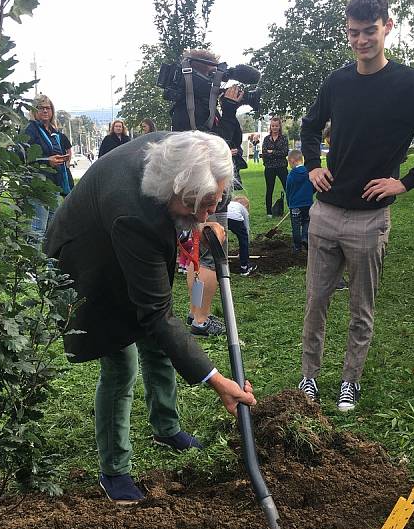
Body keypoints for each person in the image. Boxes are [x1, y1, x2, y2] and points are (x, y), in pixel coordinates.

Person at [45, 130, 256, 504]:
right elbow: (155, 313)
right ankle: (114, 472)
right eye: (205, 204)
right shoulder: (135, 214)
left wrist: (203, 219)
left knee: (158, 344)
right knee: (121, 364)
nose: (209, 212)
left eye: (216, 201)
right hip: (87, 263)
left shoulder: (180, 150)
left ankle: (166, 427)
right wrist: (217, 380)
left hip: (120, 238)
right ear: (177, 192)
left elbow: (157, 314)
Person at [298, 0, 414, 411]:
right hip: (327, 212)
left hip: (371, 219)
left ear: (387, 27)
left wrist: (404, 183)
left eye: (369, 31)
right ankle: (310, 379)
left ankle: (349, 380)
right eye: (353, 33)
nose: (361, 41)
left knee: (360, 305)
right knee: (316, 300)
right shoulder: (336, 81)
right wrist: (313, 164)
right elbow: (311, 125)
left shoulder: (411, 84)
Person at [170, 48, 246, 337]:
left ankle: (196, 313)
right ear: (202, 69)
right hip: (208, 187)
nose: (219, 76)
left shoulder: (191, 103)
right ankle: (201, 319)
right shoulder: (197, 106)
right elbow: (220, 143)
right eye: (214, 69)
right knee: (211, 252)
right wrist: (227, 109)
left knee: (201, 252)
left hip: (206, 185)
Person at [24, 94, 73, 245]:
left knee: (52, 228)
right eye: (41, 108)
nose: (45, 111)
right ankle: (33, 267)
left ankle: (48, 265)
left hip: (55, 184)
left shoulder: (54, 131)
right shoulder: (31, 130)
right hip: (39, 184)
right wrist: (47, 161)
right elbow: (24, 157)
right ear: (34, 111)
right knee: (38, 228)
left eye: (48, 108)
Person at [286, 148, 313, 252]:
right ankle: (305, 237)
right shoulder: (309, 173)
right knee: (306, 221)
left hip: (295, 206)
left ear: (292, 161)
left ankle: (297, 247)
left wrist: (289, 203)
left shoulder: (291, 175)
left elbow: (288, 190)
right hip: (308, 204)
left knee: (295, 225)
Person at [262, 117, 289, 217]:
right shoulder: (266, 139)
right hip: (269, 168)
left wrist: (272, 152)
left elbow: (284, 152)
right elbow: (264, 153)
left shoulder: (284, 138)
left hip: (281, 167)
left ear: (279, 126)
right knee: (269, 189)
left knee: (287, 188)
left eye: (276, 126)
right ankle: (269, 212)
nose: (274, 128)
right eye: (273, 126)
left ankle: (292, 209)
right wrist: (275, 153)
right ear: (270, 126)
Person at [227, 195, 256, 276]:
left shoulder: (229, 203)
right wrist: (244, 249)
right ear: (245, 206)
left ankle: (220, 262)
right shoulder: (242, 208)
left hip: (222, 216)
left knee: (221, 237)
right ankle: (244, 267)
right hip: (235, 219)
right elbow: (246, 228)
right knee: (243, 239)